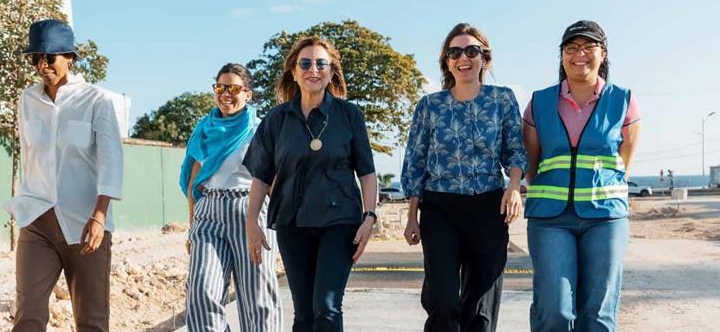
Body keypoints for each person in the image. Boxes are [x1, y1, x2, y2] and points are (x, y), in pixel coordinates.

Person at [243, 36, 378, 332]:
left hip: (339, 221)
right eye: (305, 63)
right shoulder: (276, 119)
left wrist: (369, 216)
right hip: (292, 223)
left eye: (321, 64)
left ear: (331, 72)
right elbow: (261, 176)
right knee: (304, 313)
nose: (313, 69)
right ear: (294, 71)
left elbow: (367, 173)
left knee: (326, 308)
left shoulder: (349, 115)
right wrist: (252, 222)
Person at [401, 22, 527, 332]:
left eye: (472, 51)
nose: (463, 58)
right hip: (439, 208)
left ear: (485, 58)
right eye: (454, 52)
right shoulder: (430, 106)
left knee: (480, 309)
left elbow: (516, 150)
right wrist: (412, 216)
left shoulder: (502, 99)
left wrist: (513, 187)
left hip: (488, 206)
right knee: (443, 301)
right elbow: (415, 161)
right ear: (447, 61)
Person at [5, 19, 124, 332]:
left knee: (91, 321)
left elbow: (111, 161)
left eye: (49, 57)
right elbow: (30, 156)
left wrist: (99, 216)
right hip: (37, 220)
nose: (42, 66)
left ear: (70, 57)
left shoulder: (96, 100)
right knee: (28, 315)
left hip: (85, 224)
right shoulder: (27, 100)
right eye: (36, 58)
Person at [523, 20, 641, 332]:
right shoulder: (539, 102)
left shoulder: (624, 100)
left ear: (603, 54)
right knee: (554, 310)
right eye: (572, 48)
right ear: (562, 56)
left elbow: (624, 162)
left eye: (589, 47)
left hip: (606, 219)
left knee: (598, 314)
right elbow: (531, 163)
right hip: (550, 220)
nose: (580, 54)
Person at [180, 63, 281, 332]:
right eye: (220, 87)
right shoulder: (204, 129)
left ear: (248, 94)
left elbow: (272, 183)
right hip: (208, 214)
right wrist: (192, 227)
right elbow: (193, 183)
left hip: (250, 211)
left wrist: (277, 226)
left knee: (257, 296)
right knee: (201, 291)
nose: (226, 94)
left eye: (234, 89)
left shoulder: (260, 130)